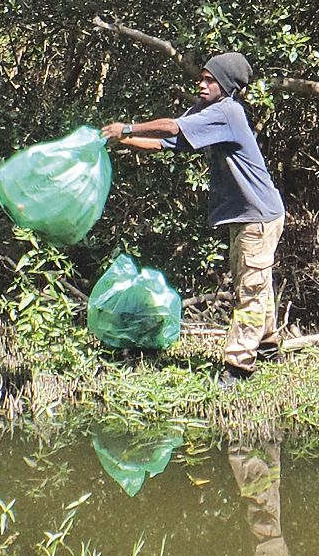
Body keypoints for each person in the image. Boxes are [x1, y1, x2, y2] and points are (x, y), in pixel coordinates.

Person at [103, 51, 285, 382]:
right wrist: (124, 141)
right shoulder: (207, 112)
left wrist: (126, 127)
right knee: (255, 282)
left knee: (250, 287)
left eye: (209, 79)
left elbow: (170, 126)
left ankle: (238, 367)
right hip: (248, 215)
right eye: (201, 78)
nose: (201, 84)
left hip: (259, 215)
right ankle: (269, 347)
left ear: (226, 85)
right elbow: (165, 143)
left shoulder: (227, 112)